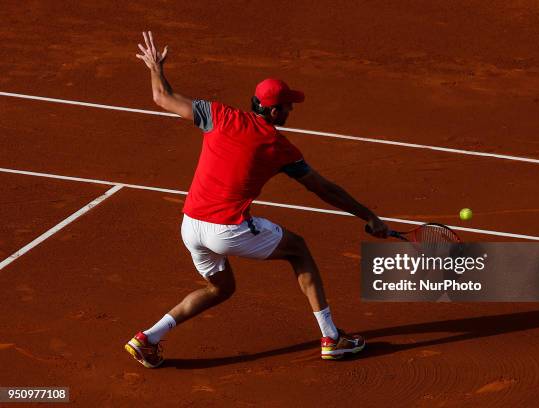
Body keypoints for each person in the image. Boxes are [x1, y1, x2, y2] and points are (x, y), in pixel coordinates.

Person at [125, 31, 389, 368]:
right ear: (275, 112)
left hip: (190, 225)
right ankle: (332, 338)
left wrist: (155, 67)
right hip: (226, 228)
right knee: (299, 249)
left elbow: (161, 96)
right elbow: (324, 189)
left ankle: (148, 339)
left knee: (221, 288)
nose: (292, 108)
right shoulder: (279, 148)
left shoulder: (218, 115)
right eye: (288, 105)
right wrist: (368, 216)